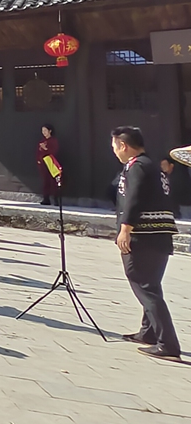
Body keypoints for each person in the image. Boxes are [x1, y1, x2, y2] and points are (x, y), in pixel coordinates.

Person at [109, 127, 180, 361]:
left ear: (123, 145)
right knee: (151, 283)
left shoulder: (136, 166)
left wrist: (125, 228)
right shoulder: (153, 166)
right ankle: (148, 332)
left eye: (114, 145)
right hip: (161, 234)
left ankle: (167, 343)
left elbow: (134, 197)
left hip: (144, 234)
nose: (113, 150)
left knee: (144, 283)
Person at [37, 124, 60, 205]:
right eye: (43, 131)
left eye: (45, 131)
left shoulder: (53, 141)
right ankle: (46, 199)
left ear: (50, 131)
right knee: (45, 181)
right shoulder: (42, 141)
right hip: (43, 163)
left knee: (53, 181)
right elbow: (39, 152)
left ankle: (56, 200)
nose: (44, 133)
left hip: (51, 162)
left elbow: (54, 151)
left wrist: (45, 148)